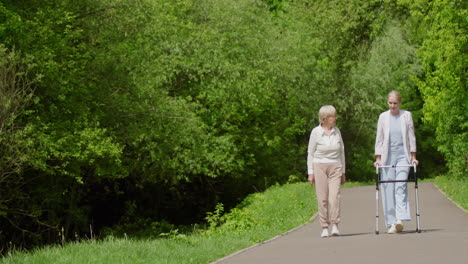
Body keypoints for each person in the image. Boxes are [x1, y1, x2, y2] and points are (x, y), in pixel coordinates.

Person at [374, 90, 418, 234]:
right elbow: (379, 138)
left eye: (395, 103)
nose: (392, 106)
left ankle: (400, 219)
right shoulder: (383, 117)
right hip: (387, 156)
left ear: (400, 103)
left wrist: (413, 156)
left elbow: (411, 137)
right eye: (390, 103)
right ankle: (391, 222)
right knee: (388, 189)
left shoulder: (406, 116)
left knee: (400, 185)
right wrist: (378, 159)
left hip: (403, 156)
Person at [307, 105, 346, 238]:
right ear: (324, 118)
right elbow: (310, 153)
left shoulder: (337, 131)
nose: (335, 118)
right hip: (319, 166)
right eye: (332, 116)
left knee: (334, 197)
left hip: (335, 166)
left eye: (335, 116)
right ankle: (324, 226)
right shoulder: (316, 132)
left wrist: (343, 172)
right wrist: (310, 172)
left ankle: (335, 225)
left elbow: (342, 152)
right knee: (322, 198)